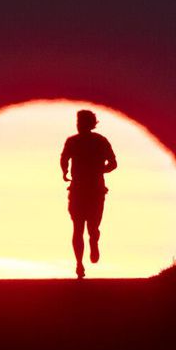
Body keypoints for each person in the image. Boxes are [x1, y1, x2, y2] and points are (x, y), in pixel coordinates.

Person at [60, 109, 117, 278]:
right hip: (77, 190)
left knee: (92, 227)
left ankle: (94, 241)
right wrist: (64, 172)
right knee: (77, 228)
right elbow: (64, 158)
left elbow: (113, 162)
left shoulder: (101, 141)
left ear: (90, 125)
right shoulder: (72, 141)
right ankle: (79, 264)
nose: (79, 126)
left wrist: (101, 170)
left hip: (96, 191)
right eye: (77, 123)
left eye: (81, 123)